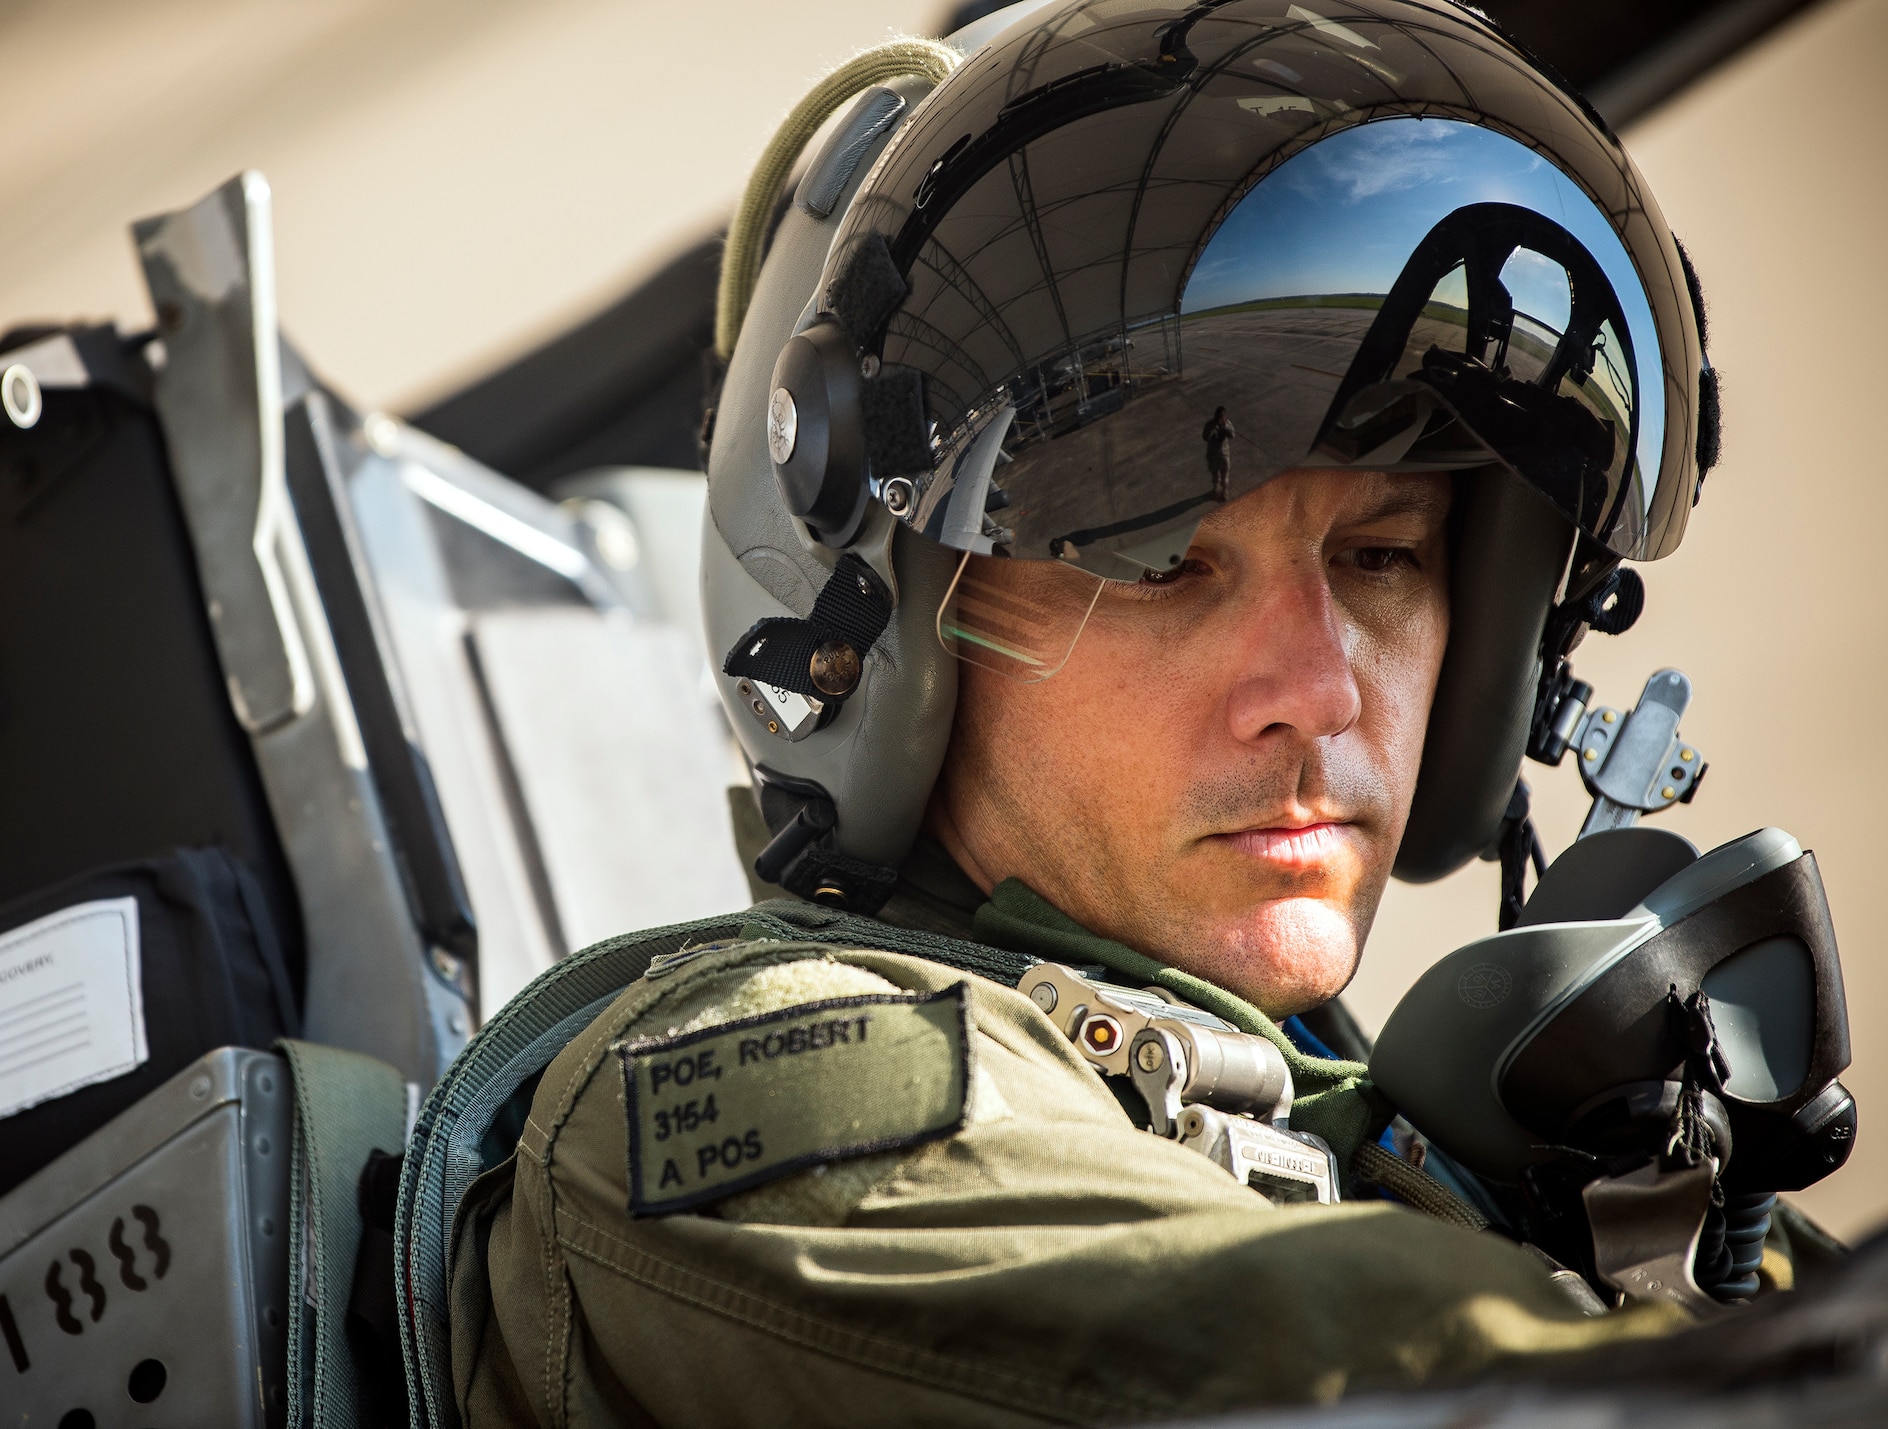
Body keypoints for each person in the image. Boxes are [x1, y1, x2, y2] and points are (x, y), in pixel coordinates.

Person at [445, 2, 1778, 1422]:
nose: (1320, 691)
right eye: (1162, 564)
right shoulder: (757, 1100)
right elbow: (1316, 1356)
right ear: (878, 641)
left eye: (1381, 556)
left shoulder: (1366, 1125)